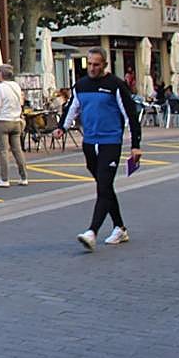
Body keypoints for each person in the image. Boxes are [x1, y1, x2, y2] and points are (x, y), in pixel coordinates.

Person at [60, 47, 142, 250]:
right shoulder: (81, 85)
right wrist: (62, 127)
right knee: (105, 187)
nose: (92, 68)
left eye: (97, 64)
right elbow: (73, 107)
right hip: (89, 143)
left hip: (110, 142)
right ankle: (120, 228)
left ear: (105, 64)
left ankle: (92, 232)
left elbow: (130, 115)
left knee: (103, 186)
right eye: (90, 64)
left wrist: (135, 146)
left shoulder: (115, 85)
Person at [0, 65, 27, 187]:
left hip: (2, 121)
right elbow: (21, 102)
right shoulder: (16, 86)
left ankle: (4, 179)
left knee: (4, 151)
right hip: (16, 121)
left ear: (1, 74)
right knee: (17, 150)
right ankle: (23, 177)